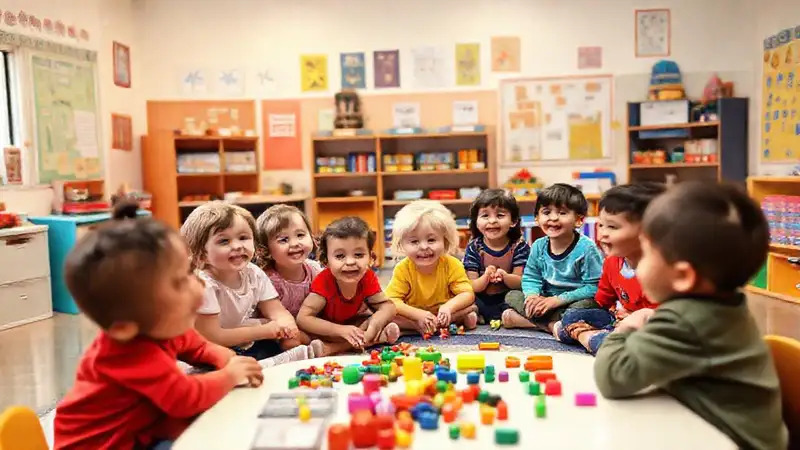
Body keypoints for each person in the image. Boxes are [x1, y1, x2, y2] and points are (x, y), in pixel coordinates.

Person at [54, 201, 264, 450]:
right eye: (178, 284)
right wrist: (229, 376)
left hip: (139, 428)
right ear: (124, 327)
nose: (198, 286)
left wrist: (226, 359)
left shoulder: (161, 326)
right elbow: (185, 398)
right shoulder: (129, 352)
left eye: (188, 273)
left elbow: (198, 347)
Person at [594, 182, 788, 450]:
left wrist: (625, 327)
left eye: (647, 252)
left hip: (731, 441)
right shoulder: (723, 305)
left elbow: (611, 376)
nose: (637, 263)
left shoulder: (683, 319)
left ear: (683, 276)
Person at [181, 202, 317, 363]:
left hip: (241, 337)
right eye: (224, 241)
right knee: (231, 359)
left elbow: (276, 310)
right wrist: (265, 331)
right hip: (205, 343)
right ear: (201, 254)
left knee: (280, 347)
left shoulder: (253, 273)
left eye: (243, 238)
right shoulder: (203, 284)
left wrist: (288, 327)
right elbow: (213, 336)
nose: (237, 246)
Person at [555, 183, 665, 353]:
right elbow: (603, 301)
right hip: (618, 323)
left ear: (646, 232)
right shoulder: (612, 262)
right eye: (601, 225)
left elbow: (669, 317)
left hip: (653, 329)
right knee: (574, 315)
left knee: (637, 339)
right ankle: (592, 337)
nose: (603, 233)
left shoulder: (661, 269)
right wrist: (613, 312)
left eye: (612, 227)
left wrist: (636, 318)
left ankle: (588, 338)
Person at [502, 183, 604, 332]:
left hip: (573, 301)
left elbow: (594, 287)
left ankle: (528, 321)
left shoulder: (587, 248)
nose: (553, 218)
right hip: (545, 300)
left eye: (562, 213)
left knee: (586, 307)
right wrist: (532, 296)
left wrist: (558, 300)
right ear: (537, 218)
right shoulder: (538, 246)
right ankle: (553, 325)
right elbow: (531, 277)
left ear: (579, 220)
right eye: (546, 212)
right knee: (512, 295)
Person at [296, 217, 399, 356]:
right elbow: (303, 319)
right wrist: (340, 330)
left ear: (371, 258)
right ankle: (364, 341)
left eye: (358, 255)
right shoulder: (324, 282)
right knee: (298, 337)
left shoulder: (367, 277)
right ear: (326, 261)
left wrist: (375, 324)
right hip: (326, 330)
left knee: (377, 319)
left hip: (353, 326)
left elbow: (388, 306)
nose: (350, 262)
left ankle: (344, 345)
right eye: (340, 256)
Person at [386, 200, 478, 335]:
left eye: (431, 240)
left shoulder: (452, 264)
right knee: (386, 313)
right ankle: (421, 326)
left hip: (444, 314)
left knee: (471, 306)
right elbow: (392, 300)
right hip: (414, 315)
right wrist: (418, 315)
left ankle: (435, 324)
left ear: (445, 241)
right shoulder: (402, 269)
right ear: (402, 245)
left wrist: (448, 307)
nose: (424, 247)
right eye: (414, 241)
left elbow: (467, 294)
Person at [255, 204, 322, 349]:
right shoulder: (268, 280)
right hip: (279, 335)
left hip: (312, 327)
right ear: (265, 250)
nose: (295, 243)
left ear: (311, 237)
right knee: (290, 341)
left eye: (300, 235)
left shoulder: (315, 269)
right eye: (283, 240)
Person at [463, 189, 530, 322]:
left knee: (518, 297)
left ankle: (509, 317)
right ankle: (474, 315)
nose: (492, 221)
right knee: (466, 296)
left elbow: (520, 283)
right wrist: (486, 276)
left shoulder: (519, 246)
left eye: (500, 215)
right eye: (485, 216)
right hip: (481, 298)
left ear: (513, 221)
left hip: (507, 297)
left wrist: (505, 276)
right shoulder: (474, 247)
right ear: (476, 221)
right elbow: (472, 285)